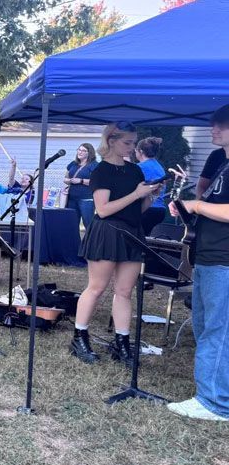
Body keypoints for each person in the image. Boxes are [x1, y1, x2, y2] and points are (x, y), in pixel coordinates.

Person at [70, 122, 162, 365]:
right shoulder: (100, 171)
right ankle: (79, 337)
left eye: (134, 143)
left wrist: (151, 196)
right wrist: (136, 194)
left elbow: (136, 210)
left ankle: (121, 342)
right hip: (107, 232)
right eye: (127, 142)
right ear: (111, 141)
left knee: (124, 291)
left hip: (132, 232)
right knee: (96, 288)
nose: (132, 147)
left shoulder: (135, 171)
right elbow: (103, 209)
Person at [166, 104, 229, 421]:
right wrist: (187, 208)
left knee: (219, 330)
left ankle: (215, 403)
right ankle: (214, 392)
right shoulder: (222, 162)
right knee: (206, 326)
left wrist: (197, 206)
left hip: (224, 260)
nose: (212, 129)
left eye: (220, 125)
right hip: (208, 254)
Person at [135, 136, 167, 236]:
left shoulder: (140, 167)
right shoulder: (159, 167)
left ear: (140, 151)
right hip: (160, 210)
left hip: (146, 209)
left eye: (136, 150)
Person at [63, 142, 98, 228]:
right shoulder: (73, 164)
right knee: (71, 225)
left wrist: (81, 181)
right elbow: (65, 178)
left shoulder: (94, 165)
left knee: (88, 224)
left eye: (83, 150)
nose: (80, 152)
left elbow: (97, 181)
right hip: (71, 199)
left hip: (86, 199)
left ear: (89, 153)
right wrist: (70, 180)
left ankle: (90, 237)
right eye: (79, 150)